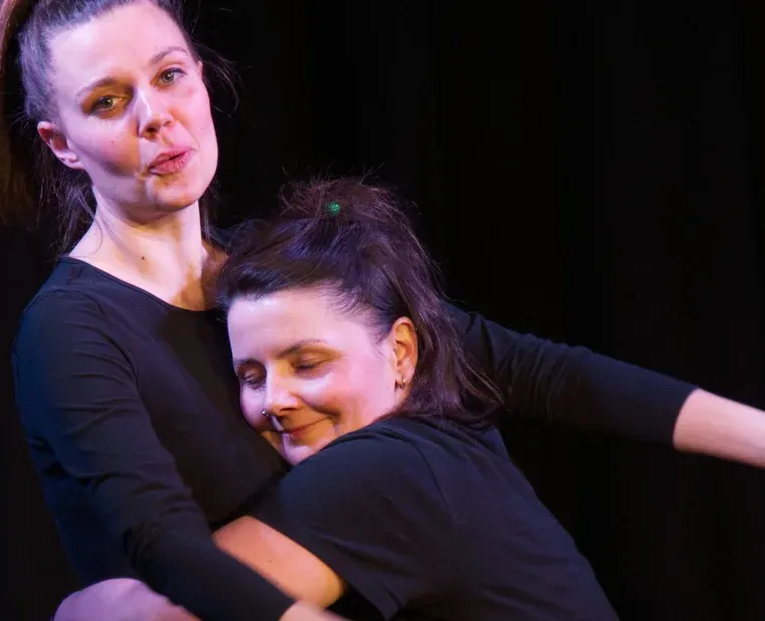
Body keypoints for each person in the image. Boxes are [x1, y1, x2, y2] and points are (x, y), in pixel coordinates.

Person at [0, 0, 765, 619]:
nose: (156, 117)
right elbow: (165, 548)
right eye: (109, 102)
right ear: (62, 143)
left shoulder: (271, 273)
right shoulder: (72, 329)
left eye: (170, 76)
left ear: (203, 80)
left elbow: (530, 368)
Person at [207, 176, 620, 619]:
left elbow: (165, 609)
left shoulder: (384, 471)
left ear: (401, 352)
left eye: (307, 364)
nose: (274, 400)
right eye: (252, 377)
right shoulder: (441, 448)